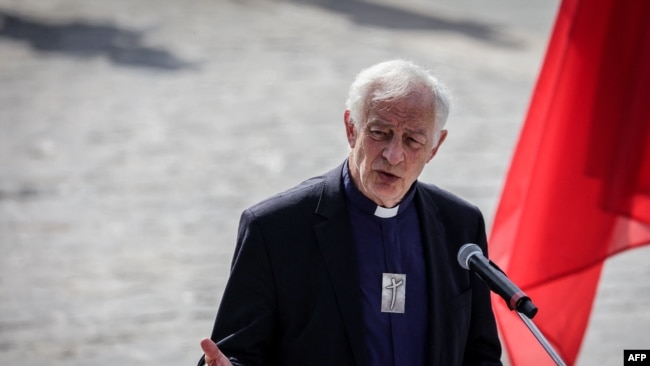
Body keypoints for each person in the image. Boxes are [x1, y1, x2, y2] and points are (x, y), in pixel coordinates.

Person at [198, 59, 502, 366]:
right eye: (380, 132)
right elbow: (236, 353)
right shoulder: (275, 229)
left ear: (435, 148)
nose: (393, 155)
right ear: (351, 128)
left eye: (413, 141)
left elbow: (481, 355)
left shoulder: (459, 226)